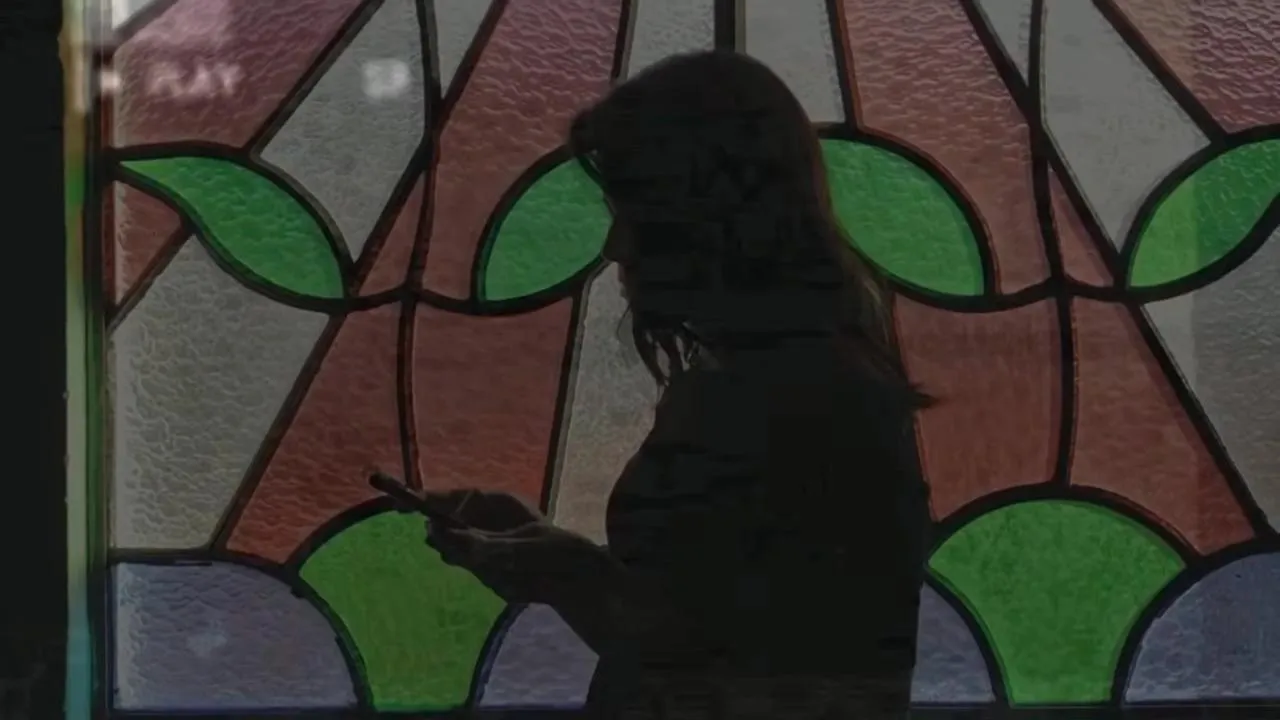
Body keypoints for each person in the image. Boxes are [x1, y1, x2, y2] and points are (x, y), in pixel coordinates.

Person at [417, 50, 933, 719]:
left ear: (703, 218)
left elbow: (729, 668)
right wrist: (558, 559)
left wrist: (570, 571)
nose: (614, 247)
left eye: (632, 215)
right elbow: (719, 624)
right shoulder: (821, 384)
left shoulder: (780, 400)